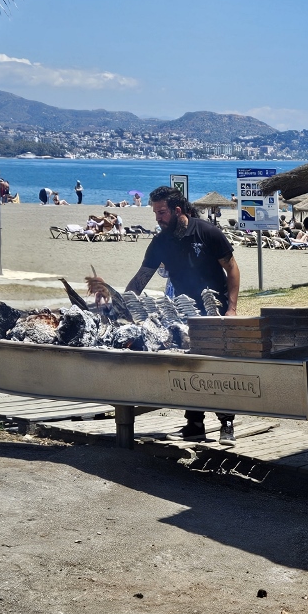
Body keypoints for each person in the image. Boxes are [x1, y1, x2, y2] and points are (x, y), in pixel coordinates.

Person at [85, 185, 241, 444]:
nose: (157, 218)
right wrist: (117, 303)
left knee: (216, 368)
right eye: (155, 212)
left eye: (161, 212)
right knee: (189, 367)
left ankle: (227, 424)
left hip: (215, 310)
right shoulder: (160, 242)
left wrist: (231, 309)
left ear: (177, 210)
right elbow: (140, 280)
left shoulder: (207, 232)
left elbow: (233, 269)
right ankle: (194, 424)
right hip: (182, 313)